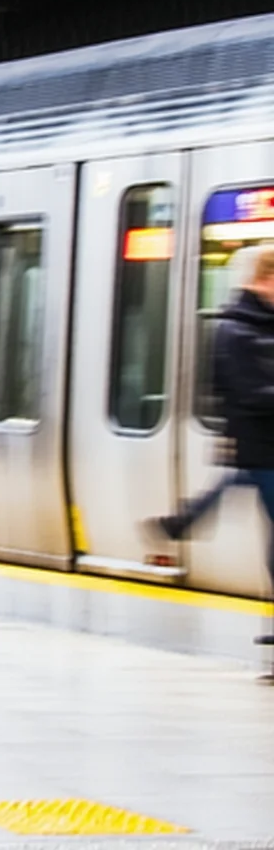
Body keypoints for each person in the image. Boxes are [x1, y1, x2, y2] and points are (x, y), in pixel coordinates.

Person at [147, 244, 274, 594]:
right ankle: (182, 520)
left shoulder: (260, 325)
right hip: (259, 446)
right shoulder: (235, 330)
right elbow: (249, 391)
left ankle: (183, 520)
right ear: (265, 280)